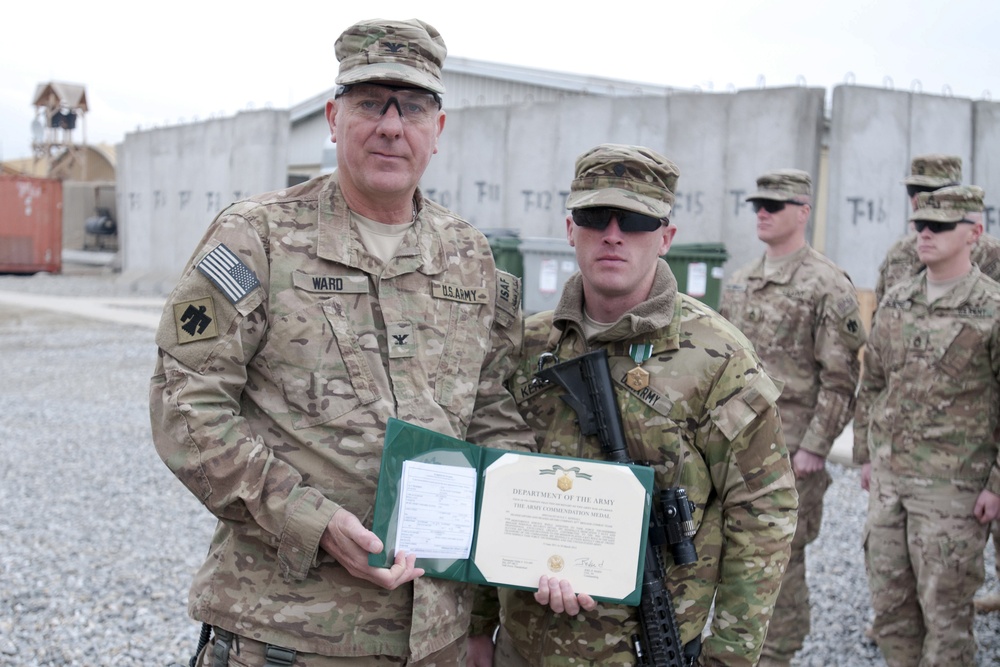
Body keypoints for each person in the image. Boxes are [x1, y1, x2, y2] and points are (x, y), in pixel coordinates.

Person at [149, 18, 535, 667]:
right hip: (290, 632)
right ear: (334, 116)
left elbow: (493, 409)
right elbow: (185, 405)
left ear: (437, 131)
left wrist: (540, 525)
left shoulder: (469, 256)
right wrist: (310, 519)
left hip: (431, 634)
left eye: (411, 106)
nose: (391, 125)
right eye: (369, 103)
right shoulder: (258, 238)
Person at [469, 144, 798, 667]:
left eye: (638, 220)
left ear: (666, 237)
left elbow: (764, 511)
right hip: (524, 648)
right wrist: (476, 629)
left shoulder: (718, 357)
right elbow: (490, 485)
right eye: (596, 216)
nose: (614, 234)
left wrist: (730, 656)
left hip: (642, 653)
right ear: (570, 228)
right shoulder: (526, 345)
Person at [718, 169, 867, 667]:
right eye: (758, 203)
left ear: (803, 211)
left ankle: (777, 652)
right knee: (727, 552)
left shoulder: (827, 284)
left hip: (789, 453)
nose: (762, 211)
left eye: (775, 205)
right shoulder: (740, 282)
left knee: (779, 558)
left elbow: (842, 377)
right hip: (733, 449)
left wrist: (814, 447)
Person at [854, 185, 1000, 666]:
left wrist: (996, 484)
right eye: (921, 224)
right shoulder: (897, 300)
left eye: (940, 225)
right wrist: (866, 455)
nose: (926, 233)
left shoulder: (992, 309)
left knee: (946, 619)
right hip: (892, 485)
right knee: (892, 610)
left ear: (974, 234)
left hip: (953, 491)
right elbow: (872, 379)